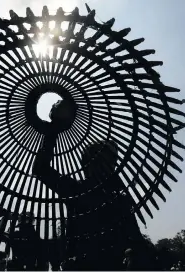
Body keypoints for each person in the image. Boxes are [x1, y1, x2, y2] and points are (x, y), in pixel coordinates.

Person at [32, 100, 145, 270]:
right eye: (99, 160)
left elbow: (135, 242)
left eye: (110, 161)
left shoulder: (119, 199)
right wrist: (53, 130)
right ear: (87, 165)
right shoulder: (77, 191)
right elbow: (41, 170)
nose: (105, 165)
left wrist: (132, 254)